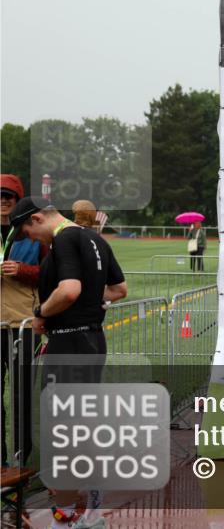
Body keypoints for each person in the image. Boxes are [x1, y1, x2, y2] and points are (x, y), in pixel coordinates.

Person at [10, 196, 127, 529]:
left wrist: (40, 313)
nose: (30, 240)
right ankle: (90, 511)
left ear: (36, 220)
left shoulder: (64, 239)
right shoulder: (94, 238)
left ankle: (68, 516)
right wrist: (90, 299)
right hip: (91, 340)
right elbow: (119, 289)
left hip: (69, 343)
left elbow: (69, 290)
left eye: (27, 232)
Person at [0, 175, 47, 466]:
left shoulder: (32, 235)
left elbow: (51, 275)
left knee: (22, 397)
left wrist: (21, 271)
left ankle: (21, 459)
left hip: (24, 328)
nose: (3, 201)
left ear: (18, 202)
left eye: (9, 197)